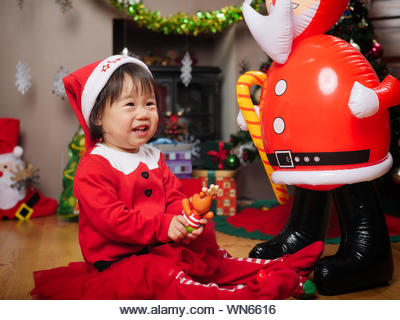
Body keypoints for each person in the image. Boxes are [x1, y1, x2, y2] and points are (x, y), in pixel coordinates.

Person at [31, 55, 323, 300]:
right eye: (130, 105)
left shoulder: (153, 156)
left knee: (210, 258)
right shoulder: (95, 166)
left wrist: (186, 219)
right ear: (97, 117)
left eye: (150, 103)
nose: (143, 113)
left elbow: (173, 195)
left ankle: (274, 267)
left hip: (160, 245)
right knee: (170, 280)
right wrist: (164, 225)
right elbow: (112, 220)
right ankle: (244, 295)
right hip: (120, 261)